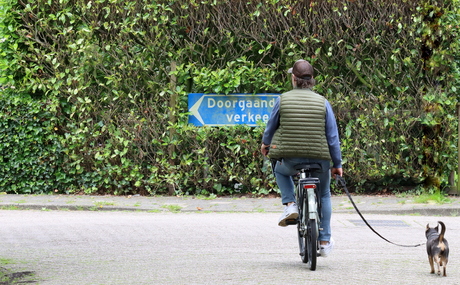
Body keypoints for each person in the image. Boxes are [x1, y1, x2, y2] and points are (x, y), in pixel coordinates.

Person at [260, 59, 343, 257]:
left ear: (294, 79)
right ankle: (324, 240)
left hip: (290, 159)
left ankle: (290, 205)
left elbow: (271, 127)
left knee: (280, 170)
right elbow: (333, 137)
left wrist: (265, 144)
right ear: (312, 80)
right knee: (324, 194)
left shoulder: (283, 99)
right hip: (319, 160)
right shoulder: (323, 102)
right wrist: (337, 164)